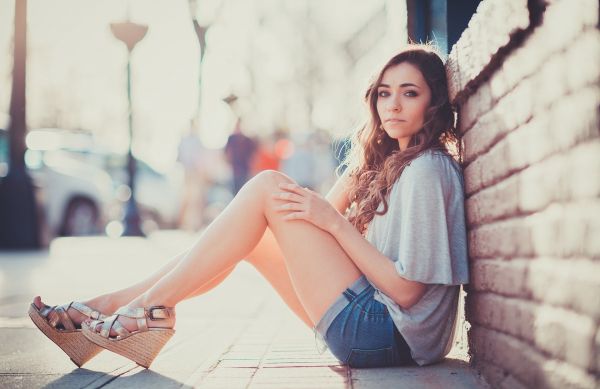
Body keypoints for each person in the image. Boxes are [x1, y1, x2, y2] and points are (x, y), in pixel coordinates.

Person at [28, 45, 468, 369]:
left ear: (434, 103)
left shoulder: (427, 171)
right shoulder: (394, 165)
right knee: (252, 234)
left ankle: (140, 309)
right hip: (374, 327)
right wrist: (355, 181)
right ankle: (121, 306)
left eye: (409, 93)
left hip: (388, 336)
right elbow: (309, 230)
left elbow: (408, 291)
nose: (392, 104)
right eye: (384, 93)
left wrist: (334, 221)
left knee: (265, 187)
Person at [224, 119, 257, 195]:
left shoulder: (247, 140)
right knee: (235, 191)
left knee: (244, 190)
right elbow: (226, 153)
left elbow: (253, 153)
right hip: (235, 169)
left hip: (245, 169)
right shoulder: (231, 139)